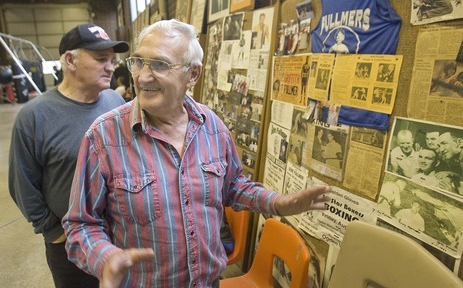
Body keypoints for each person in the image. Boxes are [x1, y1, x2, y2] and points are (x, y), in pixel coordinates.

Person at [62, 19, 331, 288]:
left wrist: (277, 203)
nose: (143, 76)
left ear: (193, 74)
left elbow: (233, 186)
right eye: (139, 62)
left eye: (159, 64)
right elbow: (80, 224)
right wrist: (104, 257)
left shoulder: (211, 126)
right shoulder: (104, 136)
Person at [8, 24, 129, 288]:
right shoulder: (35, 116)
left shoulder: (116, 104)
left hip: (120, 237)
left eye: (112, 60)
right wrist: (55, 233)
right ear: (70, 60)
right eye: (100, 59)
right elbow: (22, 185)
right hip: (70, 245)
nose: (110, 67)